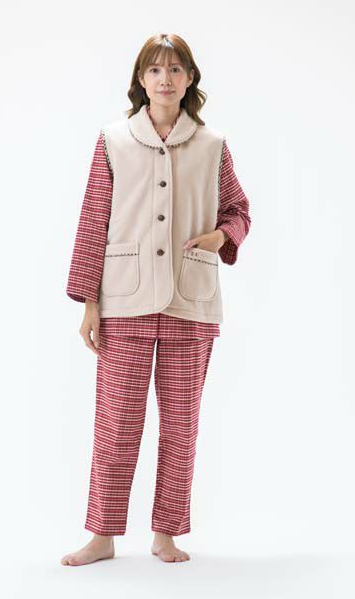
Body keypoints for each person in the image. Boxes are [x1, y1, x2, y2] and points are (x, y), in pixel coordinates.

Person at [61, 33, 251, 566]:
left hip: (191, 302)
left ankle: (166, 533)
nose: (165, 79)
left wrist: (221, 236)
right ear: (141, 79)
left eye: (175, 70)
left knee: (180, 426)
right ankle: (102, 535)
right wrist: (89, 302)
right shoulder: (113, 140)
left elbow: (238, 210)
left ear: (190, 79)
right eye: (155, 70)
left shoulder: (212, 144)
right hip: (124, 300)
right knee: (116, 424)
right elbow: (94, 218)